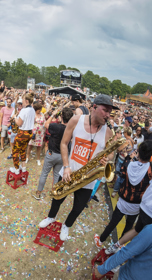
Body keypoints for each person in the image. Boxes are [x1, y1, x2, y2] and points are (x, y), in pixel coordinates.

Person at [39, 94, 118, 241]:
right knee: (57, 199)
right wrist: (66, 166)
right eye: (105, 110)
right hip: (70, 171)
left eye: (110, 112)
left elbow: (111, 153)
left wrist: (106, 159)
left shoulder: (107, 131)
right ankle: (51, 217)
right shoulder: (76, 120)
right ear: (94, 107)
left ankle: (66, 226)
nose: (108, 115)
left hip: (89, 178)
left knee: (78, 207)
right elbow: (63, 143)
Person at [94, 140, 152, 248]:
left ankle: (100, 240)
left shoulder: (129, 164)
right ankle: (119, 245)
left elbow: (120, 173)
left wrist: (129, 158)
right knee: (129, 226)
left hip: (123, 200)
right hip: (137, 204)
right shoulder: (150, 170)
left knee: (113, 222)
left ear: (138, 152)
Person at [33, 107, 73, 200]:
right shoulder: (70, 130)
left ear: (61, 116)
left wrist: (53, 115)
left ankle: (38, 193)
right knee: (56, 176)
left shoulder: (56, 127)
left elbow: (46, 124)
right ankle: (54, 195)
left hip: (52, 154)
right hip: (62, 156)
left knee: (44, 173)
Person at [9, 93, 35, 175]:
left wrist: (14, 117)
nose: (22, 102)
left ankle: (16, 168)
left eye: (23, 100)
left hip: (22, 133)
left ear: (26, 101)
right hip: (29, 132)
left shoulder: (24, 110)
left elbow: (19, 123)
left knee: (15, 151)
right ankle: (23, 167)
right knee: (23, 149)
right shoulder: (32, 109)